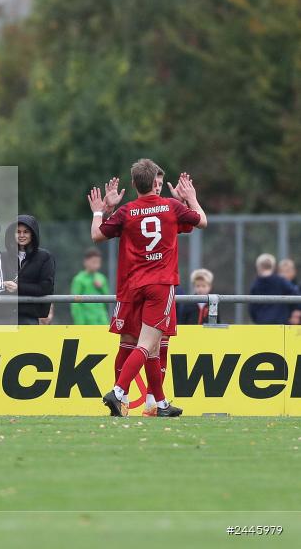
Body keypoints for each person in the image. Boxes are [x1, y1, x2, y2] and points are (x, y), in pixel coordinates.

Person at [89, 160, 206, 418]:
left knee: (150, 347)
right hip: (160, 284)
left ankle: (159, 404)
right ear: (155, 182)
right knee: (146, 344)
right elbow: (202, 222)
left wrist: (101, 210)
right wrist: (191, 199)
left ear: (133, 184)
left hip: (132, 285)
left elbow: (97, 236)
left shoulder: (127, 211)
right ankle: (119, 392)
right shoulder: (171, 207)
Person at [0, 215, 55, 326]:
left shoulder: (44, 257)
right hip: (2, 317)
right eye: (18, 232)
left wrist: (18, 288)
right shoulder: (0, 257)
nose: (21, 235)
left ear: (33, 234)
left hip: (28, 317)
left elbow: (46, 287)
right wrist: (2, 285)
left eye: (26, 232)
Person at [249, 253, 299, 324]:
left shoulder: (255, 284)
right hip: (280, 323)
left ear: (258, 267)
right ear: (273, 266)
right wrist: (295, 311)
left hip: (262, 323)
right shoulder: (281, 281)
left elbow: (252, 308)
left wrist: (257, 319)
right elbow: (295, 293)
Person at [70, 247, 110, 325]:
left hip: (102, 321)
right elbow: (75, 303)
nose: (96, 265)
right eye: (93, 262)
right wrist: (79, 323)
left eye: (98, 262)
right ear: (85, 262)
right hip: (86, 322)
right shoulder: (79, 279)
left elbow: (108, 298)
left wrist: (101, 287)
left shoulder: (102, 278)